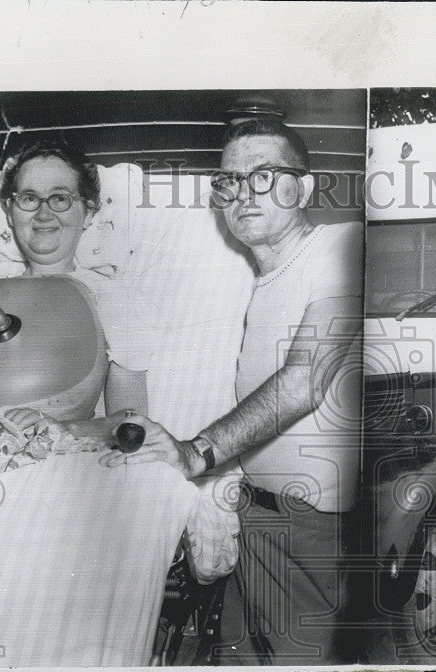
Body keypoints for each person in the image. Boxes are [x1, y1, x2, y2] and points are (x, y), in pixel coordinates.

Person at [0, 140, 237, 667]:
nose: (44, 213)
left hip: (40, 438)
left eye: (61, 199)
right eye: (28, 198)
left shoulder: (113, 300)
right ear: (7, 210)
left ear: (89, 210)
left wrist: (54, 424)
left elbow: (131, 424)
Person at [103, 119, 364, 665]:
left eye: (265, 176)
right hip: (256, 523)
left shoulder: (343, 248)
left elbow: (304, 380)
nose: (243, 193)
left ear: (306, 189)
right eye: (229, 181)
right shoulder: (255, 284)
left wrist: (195, 452)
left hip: (315, 532)